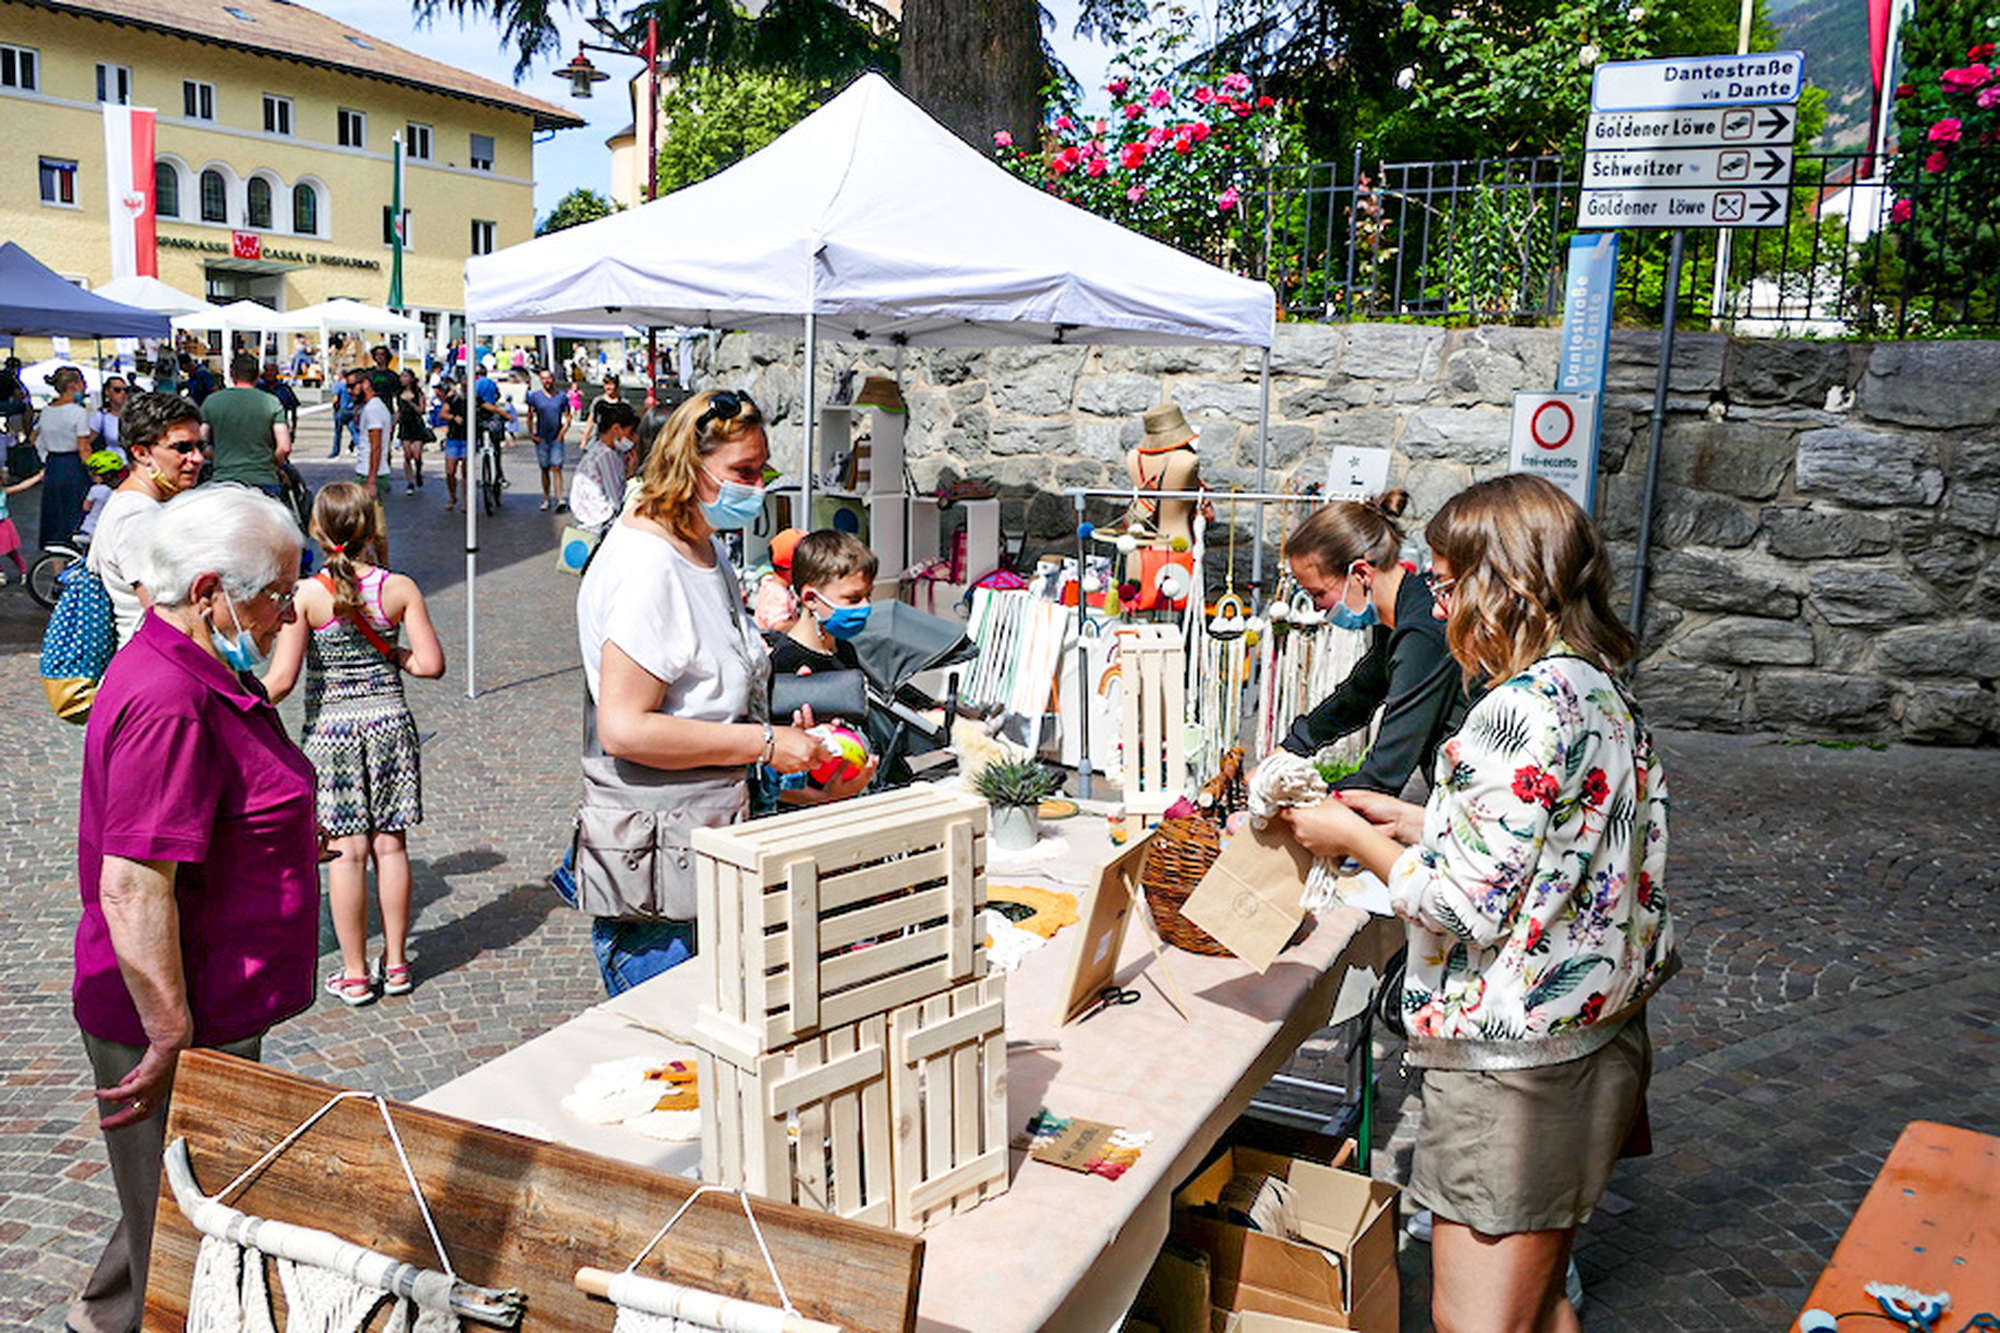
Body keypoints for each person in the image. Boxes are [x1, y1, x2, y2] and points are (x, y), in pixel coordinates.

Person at [1280, 474, 1676, 1333]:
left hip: (1514, 1067)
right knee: (1539, 1304)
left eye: (1449, 584)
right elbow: (1565, 843)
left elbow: (1463, 905)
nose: (1439, 605)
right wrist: (1426, 821)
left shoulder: (1514, 711)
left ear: (1505, 585)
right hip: (1594, 1038)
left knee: (1478, 1321)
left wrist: (1352, 838)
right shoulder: (1596, 685)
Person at [67, 484, 316, 1333]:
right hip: (176, 1014)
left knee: (167, 1198)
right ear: (209, 591)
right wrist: (169, 1030)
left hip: (213, 996)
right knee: (184, 1230)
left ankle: (102, 1313)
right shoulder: (169, 697)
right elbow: (133, 882)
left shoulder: (194, 667)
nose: (289, 612)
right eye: (277, 592)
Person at [574, 388, 827, 994]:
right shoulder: (648, 566)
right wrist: (766, 743)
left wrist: (784, 743)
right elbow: (624, 728)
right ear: (688, 466)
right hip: (665, 883)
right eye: (744, 472)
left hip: (704, 843)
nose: (757, 488)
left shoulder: (700, 545)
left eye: (762, 471)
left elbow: (707, 693)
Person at [264, 483, 445, 1007]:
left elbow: (281, 681)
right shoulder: (399, 588)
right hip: (390, 726)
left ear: (316, 531)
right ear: (371, 529)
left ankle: (355, 972)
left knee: (346, 854)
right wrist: (391, 654)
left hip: (331, 735)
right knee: (391, 846)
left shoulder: (305, 596)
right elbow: (430, 665)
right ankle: (397, 963)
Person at [1273, 490, 1471, 795]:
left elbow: (1382, 775)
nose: (1317, 608)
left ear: (1361, 574)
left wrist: (1290, 796)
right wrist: (1289, 749)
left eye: (1318, 594)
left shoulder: (1423, 633)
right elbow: (1359, 694)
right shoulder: (1402, 614)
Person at [759, 530, 882, 811]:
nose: (866, 607)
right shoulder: (782, 667)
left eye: (868, 596)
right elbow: (769, 774)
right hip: (805, 815)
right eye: (853, 599)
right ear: (811, 598)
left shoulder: (845, 650)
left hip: (848, 802)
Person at [89, 392, 208, 647]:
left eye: (200, 446)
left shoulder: (140, 504)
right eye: (182, 448)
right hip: (157, 658)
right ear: (142, 453)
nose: (197, 458)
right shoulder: (137, 515)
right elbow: (164, 616)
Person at [201, 353, 292, 498]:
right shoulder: (272, 402)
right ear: (257, 375)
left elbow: (201, 441)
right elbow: (285, 447)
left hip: (224, 479)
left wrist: (217, 458)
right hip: (264, 479)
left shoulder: (211, 402)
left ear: (232, 374)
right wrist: (270, 463)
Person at [35, 366, 95, 543]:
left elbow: (36, 438)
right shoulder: (78, 412)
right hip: (72, 464)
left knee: (54, 511)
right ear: (73, 385)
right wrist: (95, 471)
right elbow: (84, 447)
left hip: (53, 463)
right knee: (74, 509)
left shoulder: (46, 411)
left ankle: (54, 549)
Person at [568, 397, 639, 532]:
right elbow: (616, 501)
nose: (634, 439)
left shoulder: (599, 450)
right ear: (616, 429)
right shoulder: (606, 456)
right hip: (599, 525)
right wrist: (631, 475)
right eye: (630, 433)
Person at [525, 368, 570, 512]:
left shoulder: (561, 397)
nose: (546, 381)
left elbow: (568, 416)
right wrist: (531, 433)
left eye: (548, 378)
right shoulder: (535, 397)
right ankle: (546, 498)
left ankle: (559, 498)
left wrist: (563, 432)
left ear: (553, 379)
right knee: (544, 468)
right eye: (543, 378)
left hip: (556, 437)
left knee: (557, 467)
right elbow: (530, 415)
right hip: (542, 437)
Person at [356, 370, 396, 498]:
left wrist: (371, 480)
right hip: (371, 471)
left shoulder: (373, 409)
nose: (349, 391)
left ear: (365, 384)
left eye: (352, 386)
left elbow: (376, 446)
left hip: (368, 473)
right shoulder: (375, 407)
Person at [0, 462, 42, 584]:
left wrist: (38, 477)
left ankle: (23, 570)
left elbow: (21, 486)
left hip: (3, 525)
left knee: (11, 552)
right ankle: (1, 573)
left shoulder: (3, 492)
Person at [76, 450, 126, 543]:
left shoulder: (95, 490)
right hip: (110, 531)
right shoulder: (120, 490)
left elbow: (86, 507)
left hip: (90, 529)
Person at [394, 368, 430, 495]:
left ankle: (418, 471)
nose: (403, 379)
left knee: (417, 454)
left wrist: (412, 404)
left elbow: (422, 410)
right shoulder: (398, 393)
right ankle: (410, 482)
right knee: (407, 455)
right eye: (402, 376)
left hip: (416, 424)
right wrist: (394, 423)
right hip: (404, 425)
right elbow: (398, 410)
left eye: (405, 376)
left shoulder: (418, 393)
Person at [437, 375, 469, 513]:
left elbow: (487, 407)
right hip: (454, 438)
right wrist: (453, 417)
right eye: (463, 384)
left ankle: (465, 500)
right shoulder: (454, 399)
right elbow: (442, 413)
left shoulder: (474, 399)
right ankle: (452, 496)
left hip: (468, 439)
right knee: (450, 471)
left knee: (466, 472)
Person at [90, 376, 129, 459]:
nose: (122, 393)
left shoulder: (134, 414)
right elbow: (87, 442)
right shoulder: (101, 416)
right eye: (117, 390)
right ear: (107, 392)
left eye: (126, 390)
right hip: (112, 462)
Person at [258, 361, 300, 436]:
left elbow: (294, 409)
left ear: (277, 372)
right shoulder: (258, 388)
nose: (270, 373)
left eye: (272, 371)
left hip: (280, 427)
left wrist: (293, 429)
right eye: (267, 370)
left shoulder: (284, 389)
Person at [584, 372, 625, 447]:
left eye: (611, 384)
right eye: (606, 384)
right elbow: (590, 421)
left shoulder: (623, 403)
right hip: (599, 440)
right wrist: (585, 438)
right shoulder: (598, 401)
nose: (608, 387)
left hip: (616, 443)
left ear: (617, 386)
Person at [329, 369, 358, 458]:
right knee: (354, 431)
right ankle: (360, 446)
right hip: (351, 409)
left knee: (338, 432)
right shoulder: (351, 385)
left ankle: (335, 451)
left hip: (342, 409)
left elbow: (336, 399)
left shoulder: (338, 385)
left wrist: (335, 408)